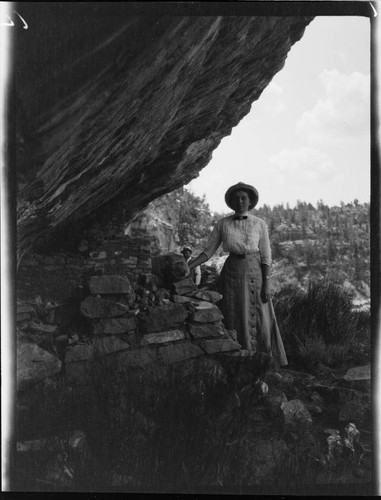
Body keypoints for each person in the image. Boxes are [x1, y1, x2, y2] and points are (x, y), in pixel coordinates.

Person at [188, 182, 288, 369]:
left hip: (255, 271)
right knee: (234, 313)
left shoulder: (259, 224)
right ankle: (239, 359)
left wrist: (267, 283)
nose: (240, 201)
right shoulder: (223, 224)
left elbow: (266, 256)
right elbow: (209, 250)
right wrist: (190, 265)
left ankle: (265, 362)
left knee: (261, 315)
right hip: (232, 271)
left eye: (244, 198)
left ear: (250, 202)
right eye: (237, 199)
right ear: (232, 203)